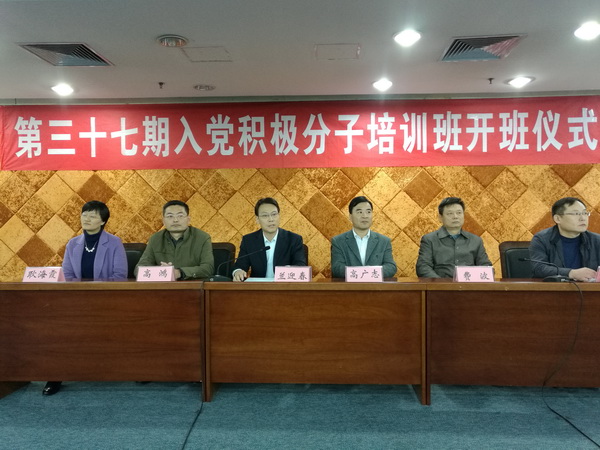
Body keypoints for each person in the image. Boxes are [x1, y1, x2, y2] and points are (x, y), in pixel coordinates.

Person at [44, 200, 128, 396]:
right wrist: (79, 296)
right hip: (77, 300)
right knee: (56, 328)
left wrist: (96, 293)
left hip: (107, 300)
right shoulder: (72, 244)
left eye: (93, 216)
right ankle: (55, 375)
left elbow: (120, 276)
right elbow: (67, 274)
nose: (87, 219)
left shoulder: (114, 243)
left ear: (103, 221)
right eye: (84, 215)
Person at [134, 200, 214, 280]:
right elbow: (139, 269)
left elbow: (208, 268)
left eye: (180, 216)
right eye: (170, 216)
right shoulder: (155, 239)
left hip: (192, 285)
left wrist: (179, 272)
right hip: (162, 285)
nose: (175, 220)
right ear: (163, 221)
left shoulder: (202, 238)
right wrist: (161, 271)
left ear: (188, 219)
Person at [416, 196, 491, 278]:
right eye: (450, 213)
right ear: (440, 218)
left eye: (459, 213)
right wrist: (441, 283)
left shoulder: (476, 241)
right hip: (440, 284)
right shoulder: (429, 239)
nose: (455, 216)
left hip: (468, 285)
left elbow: (486, 267)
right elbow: (423, 267)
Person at [232, 198, 306, 281]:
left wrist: (288, 270)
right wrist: (237, 271)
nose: (271, 219)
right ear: (257, 219)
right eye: (265, 215)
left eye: (274, 214)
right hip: (258, 287)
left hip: (284, 286)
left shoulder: (294, 239)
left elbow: (301, 266)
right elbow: (240, 265)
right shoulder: (249, 240)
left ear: (279, 216)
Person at [530, 197, 600, 282]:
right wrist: (571, 273)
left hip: (590, 289)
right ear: (557, 219)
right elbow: (539, 269)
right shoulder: (542, 239)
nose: (583, 218)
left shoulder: (597, 240)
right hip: (553, 289)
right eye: (576, 214)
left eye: (585, 213)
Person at [330, 196, 397, 279]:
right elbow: (337, 268)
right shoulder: (338, 241)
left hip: (375, 287)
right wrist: (363, 273)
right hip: (349, 286)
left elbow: (391, 267)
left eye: (368, 212)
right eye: (359, 212)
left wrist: (368, 272)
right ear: (350, 216)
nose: (365, 216)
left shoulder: (384, 241)